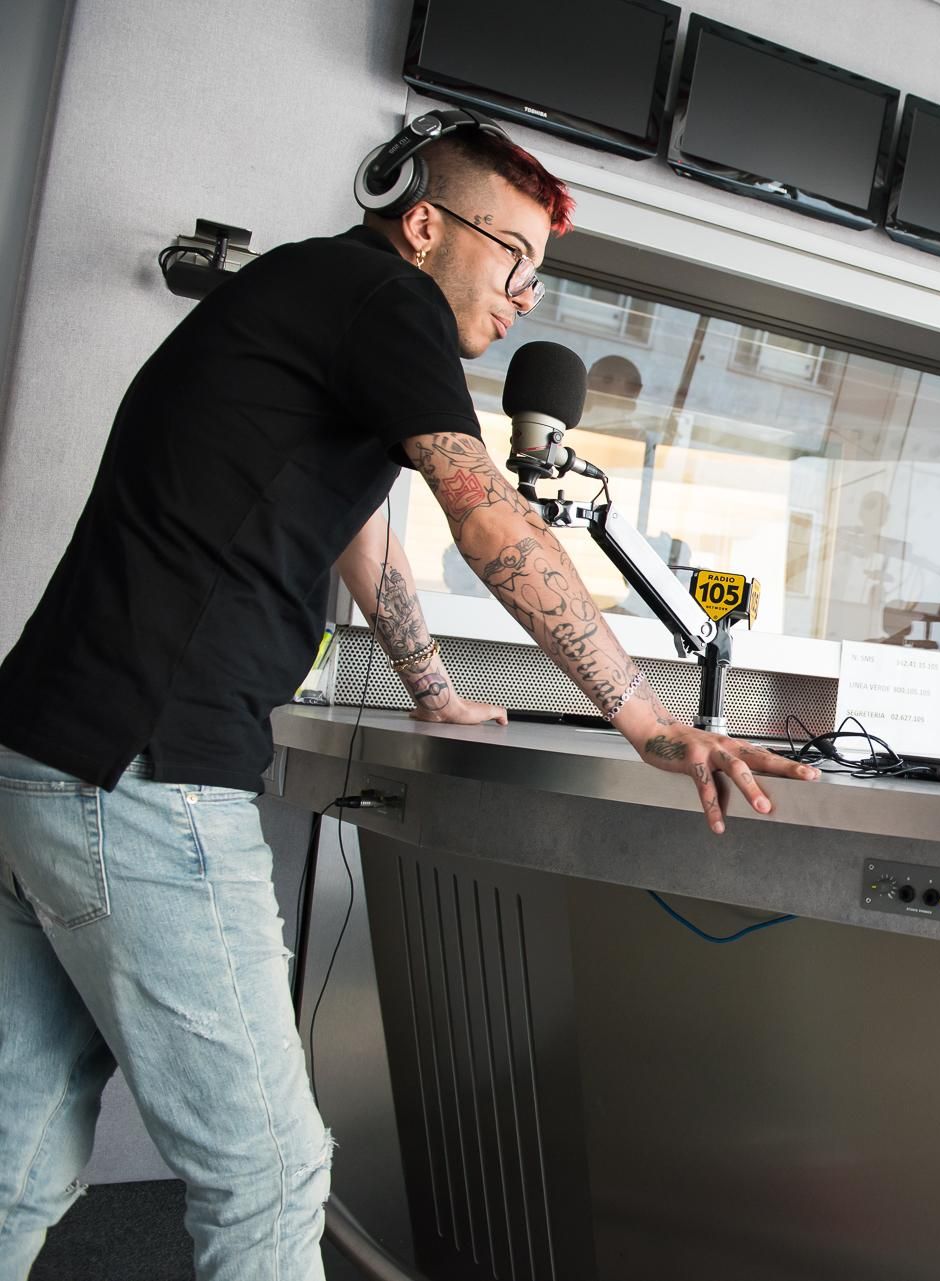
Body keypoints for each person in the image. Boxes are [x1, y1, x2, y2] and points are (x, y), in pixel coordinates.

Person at [0, 114, 815, 1280]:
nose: (527, 293)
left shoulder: (310, 294)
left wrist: (433, 687)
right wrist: (647, 719)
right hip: (145, 766)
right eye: (512, 254)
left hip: (42, 754)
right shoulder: (390, 301)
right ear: (424, 224)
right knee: (269, 1175)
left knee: (19, 1152)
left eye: (541, 270)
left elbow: (363, 534)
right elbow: (489, 519)